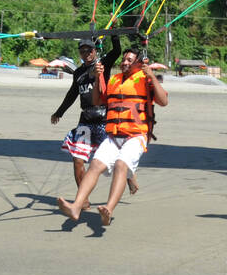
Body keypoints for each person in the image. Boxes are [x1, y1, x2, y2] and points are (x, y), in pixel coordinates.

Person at [56, 48, 169, 226]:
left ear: (139, 62)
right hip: (114, 135)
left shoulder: (144, 79)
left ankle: (108, 209)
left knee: (120, 164)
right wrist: (96, 78)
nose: (124, 62)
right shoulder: (115, 80)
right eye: (124, 59)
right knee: (95, 165)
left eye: (129, 60)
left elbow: (163, 101)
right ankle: (76, 207)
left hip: (136, 135)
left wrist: (151, 76)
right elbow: (97, 101)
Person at [50, 37, 138, 198]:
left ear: (94, 51)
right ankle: (82, 199)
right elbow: (72, 95)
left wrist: (114, 34)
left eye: (89, 51)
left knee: (118, 155)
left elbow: (117, 51)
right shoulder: (78, 72)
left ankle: (130, 177)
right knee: (77, 159)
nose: (86, 54)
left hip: (104, 118)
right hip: (86, 119)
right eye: (82, 51)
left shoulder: (102, 64)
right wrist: (59, 112)